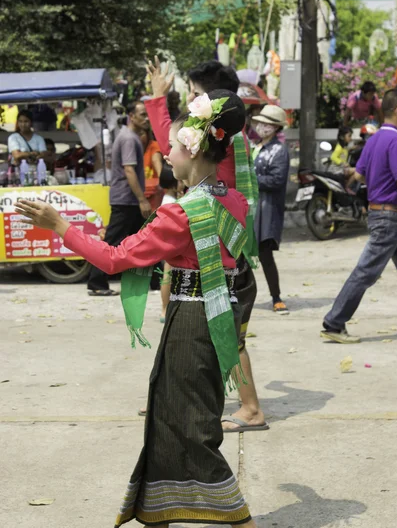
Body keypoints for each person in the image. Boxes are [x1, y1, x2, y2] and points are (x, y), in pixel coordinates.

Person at [15, 91, 257, 528]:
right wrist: (158, 100)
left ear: (196, 149)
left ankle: (239, 519)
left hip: (191, 322)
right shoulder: (230, 199)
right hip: (216, 314)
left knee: (192, 428)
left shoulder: (181, 214)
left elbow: (113, 259)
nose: (167, 152)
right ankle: (158, 513)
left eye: (176, 147)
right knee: (170, 418)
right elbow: (186, 151)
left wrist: (61, 226)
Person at [145, 57, 268, 433]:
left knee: (229, 334)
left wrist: (158, 101)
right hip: (208, 240)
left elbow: (177, 139)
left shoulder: (221, 142)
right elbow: (175, 140)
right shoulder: (223, 142)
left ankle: (250, 408)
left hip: (221, 248)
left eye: (196, 96)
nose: (192, 104)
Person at [321, 88, 397, 344]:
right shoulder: (396, 141)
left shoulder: (374, 139)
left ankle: (335, 321)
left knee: (366, 271)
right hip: (390, 218)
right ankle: (334, 322)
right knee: (366, 272)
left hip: (381, 214)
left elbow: (360, 175)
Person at [87, 101, 151, 296]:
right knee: (113, 241)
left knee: (144, 240)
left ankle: (154, 282)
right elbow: (129, 170)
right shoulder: (129, 139)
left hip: (127, 198)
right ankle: (96, 282)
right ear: (132, 116)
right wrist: (142, 199)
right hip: (126, 199)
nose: (146, 119)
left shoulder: (130, 136)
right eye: (142, 115)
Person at [253, 105, 290, 315]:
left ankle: (276, 297)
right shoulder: (256, 147)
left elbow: (277, 180)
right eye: (260, 121)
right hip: (250, 208)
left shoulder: (279, 150)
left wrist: (250, 180)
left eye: (266, 123)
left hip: (267, 210)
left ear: (276, 127)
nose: (261, 126)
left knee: (264, 252)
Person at [158, 164, 179, 321]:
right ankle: (165, 309)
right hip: (171, 242)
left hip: (167, 241)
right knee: (168, 273)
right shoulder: (171, 202)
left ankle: (166, 308)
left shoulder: (168, 199)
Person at [140, 125, 164, 211]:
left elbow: (156, 160)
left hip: (155, 195)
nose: (138, 137)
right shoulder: (133, 148)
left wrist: (163, 180)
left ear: (147, 134)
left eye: (141, 134)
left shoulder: (153, 146)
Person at [329, 126, 357, 191]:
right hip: (337, 169)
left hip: (341, 168)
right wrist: (343, 164)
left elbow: (344, 152)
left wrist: (351, 148)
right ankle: (346, 187)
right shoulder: (339, 147)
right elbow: (333, 157)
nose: (351, 138)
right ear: (342, 137)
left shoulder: (344, 148)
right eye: (349, 136)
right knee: (358, 171)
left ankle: (346, 186)